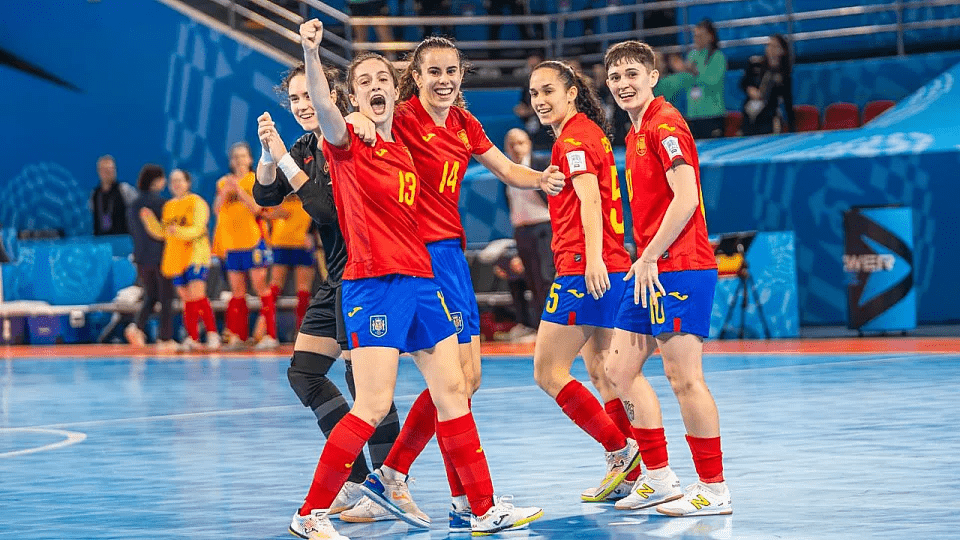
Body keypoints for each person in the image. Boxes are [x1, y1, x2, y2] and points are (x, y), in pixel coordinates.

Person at [282, 20, 544, 539]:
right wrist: (312, 56)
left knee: (453, 391)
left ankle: (481, 507)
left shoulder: (400, 149)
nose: (375, 86)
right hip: (374, 284)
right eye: (364, 83)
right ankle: (309, 513)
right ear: (352, 97)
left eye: (382, 78)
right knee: (373, 404)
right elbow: (325, 109)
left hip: (422, 281)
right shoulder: (346, 142)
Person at [339, 35, 564, 528]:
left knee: (468, 381)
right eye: (433, 72)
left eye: (451, 71)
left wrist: (542, 177)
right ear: (415, 78)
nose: (443, 80)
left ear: (460, 76)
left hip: (452, 257)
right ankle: (443, 493)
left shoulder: (464, 123)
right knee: (452, 386)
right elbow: (357, 124)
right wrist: (352, 115)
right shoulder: (395, 116)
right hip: (414, 256)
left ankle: (397, 475)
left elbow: (505, 168)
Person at [253, 62, 403, 519]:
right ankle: (358, 480)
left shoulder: (347, 140)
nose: (302, 106)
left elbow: (325, 209)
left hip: (366, 275)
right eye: (294, 99)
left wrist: (282, 157)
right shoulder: (303, 146)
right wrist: (267, 154)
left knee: (365, 384)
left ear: (331, 96)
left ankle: (389, 485)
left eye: (307, 96)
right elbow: (266, 197)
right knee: (305, 374)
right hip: (336, 277)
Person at [603, 40, 732, 516]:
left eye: (633, 74)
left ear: (653, 77)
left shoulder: (665, 124)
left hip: (678, 265)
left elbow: (687, 198)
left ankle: (714, 489)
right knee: (618, 370)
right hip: (651, 267)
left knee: (684, 379)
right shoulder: (636, 129)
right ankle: (658, 477)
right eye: (615, 77)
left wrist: (649, 255)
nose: (623, 84)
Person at [526, 59, 642, 503]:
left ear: (572, 91)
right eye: (534, 93)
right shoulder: (587, 134)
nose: (540, 101)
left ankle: (621, 451)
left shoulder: (573, 138)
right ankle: (636, 470)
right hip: (606, 264)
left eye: (548, 91)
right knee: (603, 370)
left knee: (547, 371)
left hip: (584, 267)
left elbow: (591, 200)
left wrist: (590, 259)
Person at [140, 170, 221, 351]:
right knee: (187, 299)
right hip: (176, 258)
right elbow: (163, 233)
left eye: (179, 180)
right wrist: (149, 222)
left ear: (187, 182)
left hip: (195, 255)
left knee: (198, 295)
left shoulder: (197, 202)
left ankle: (212, 333)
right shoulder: (168, 206)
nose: (176, 184)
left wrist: (179, 232)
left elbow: (198, 229)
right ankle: (192, 337)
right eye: (172, 181)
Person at [213, 142, 277, 349]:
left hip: (253, 241)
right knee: (237, 292)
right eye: (235, 157)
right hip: (233, 245)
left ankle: (270, 335)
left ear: (250, 159)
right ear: (231, 161)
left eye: (243, 156)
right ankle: (238, 337)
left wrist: (239, 190)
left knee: (261, 288)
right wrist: (226, 192)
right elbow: (217, 209)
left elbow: (258, 209)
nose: (239, 160)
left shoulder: (255, 179)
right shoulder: (223, 182)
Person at [503, 128, 554, 329]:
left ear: (529, 143)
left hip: (544, 228)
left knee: (545, 276)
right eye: (512, 144)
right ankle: (540, 325)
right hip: (522, 232)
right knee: (531, 279)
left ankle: (555, 324)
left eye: (521, 142)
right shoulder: (507, 173)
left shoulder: (541, 166)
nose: (516, 147)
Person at [124, 164, 175, 350]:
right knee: (166, 298)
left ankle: (136, 326)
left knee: (151, 295)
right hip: (161, 258)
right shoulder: (162, 204)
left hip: (141, 258)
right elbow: (166, 232)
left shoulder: (132, 206)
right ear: (157, 181)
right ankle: (165, 338)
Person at [262, 193, 316, 333]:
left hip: (302, 241)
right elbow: (270, 212)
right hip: (283, 241)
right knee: (274, 288)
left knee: (303, 292)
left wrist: (312, 232)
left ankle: (303, 333)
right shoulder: (280, 182)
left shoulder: (311, 180)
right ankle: (267, 333)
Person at [673, 19, 727, 139]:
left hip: (712, 114)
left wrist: (694, 72)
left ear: (711, 37)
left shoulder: (718, 57)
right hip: (693, 114)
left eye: (701, 36)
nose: (697, 39)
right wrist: (681, 70)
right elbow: (685, 81)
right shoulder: (692, 55)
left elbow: (713, 81)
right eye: (695, 36)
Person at [740, 34, 794, 136]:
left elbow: (788, 101)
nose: (771, 49)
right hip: (750, 114)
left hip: (769, 118)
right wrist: (749, 89)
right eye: (769, 45)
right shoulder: (754, 64)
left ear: (783, 51)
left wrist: (793, 128)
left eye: (775, 46)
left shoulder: (784, 74)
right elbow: (743, 83)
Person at [91, 155, 136, 235]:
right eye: (105, 170)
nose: (109, 172)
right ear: (99, 172)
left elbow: (139, 209)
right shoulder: (94, 194)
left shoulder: (124, 189)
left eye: (111, 169)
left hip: (123, 239)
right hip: (102, 241)